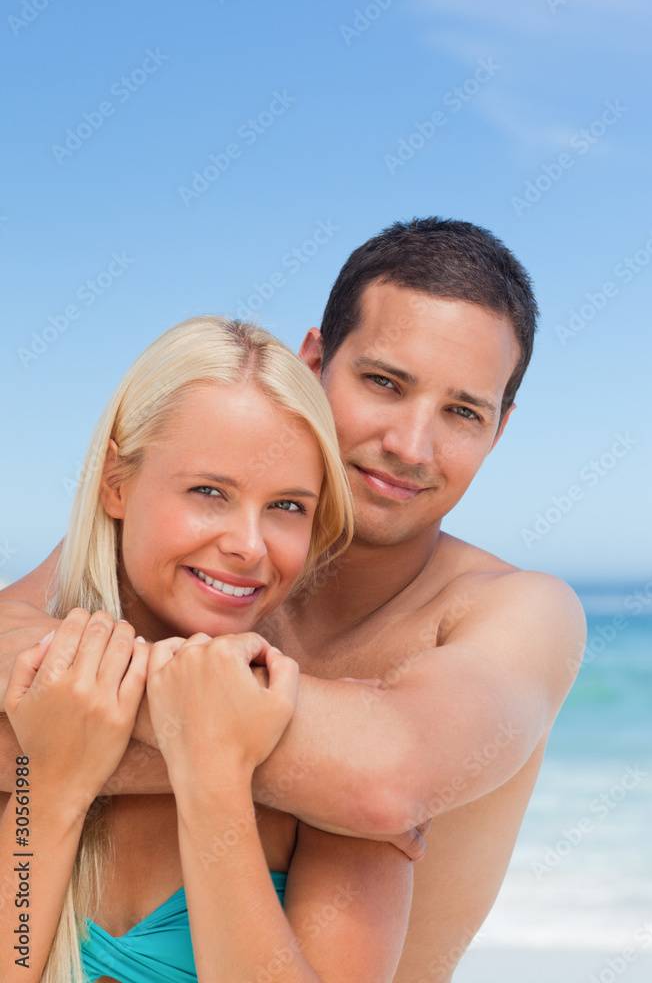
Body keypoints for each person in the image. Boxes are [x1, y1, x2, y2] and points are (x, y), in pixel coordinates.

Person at [0, 218, 586, 982]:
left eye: (462, 412)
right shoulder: (202, 567)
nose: (410, 445)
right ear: (314, 363)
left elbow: (379, 781)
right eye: (384, 382)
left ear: (499, 430)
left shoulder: (516, 610)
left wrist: (72, 727)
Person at [0, 316, 413, 983]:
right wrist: (47, 791)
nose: (249, 545)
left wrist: (212, 776)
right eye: (209, 492)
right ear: (115, 481)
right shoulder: (22, 710)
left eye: (285, 507)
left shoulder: (339, 783)